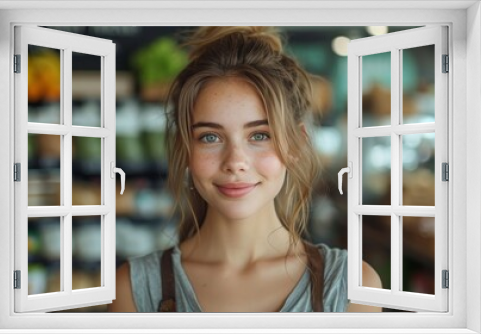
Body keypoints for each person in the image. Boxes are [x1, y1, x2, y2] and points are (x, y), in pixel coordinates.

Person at [108, 26, 382, 313]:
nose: (235, 161)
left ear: (296, 145)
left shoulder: (352, 289)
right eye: (210, 137)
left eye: (259, 135)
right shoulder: (134, 291)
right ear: (186, 148)